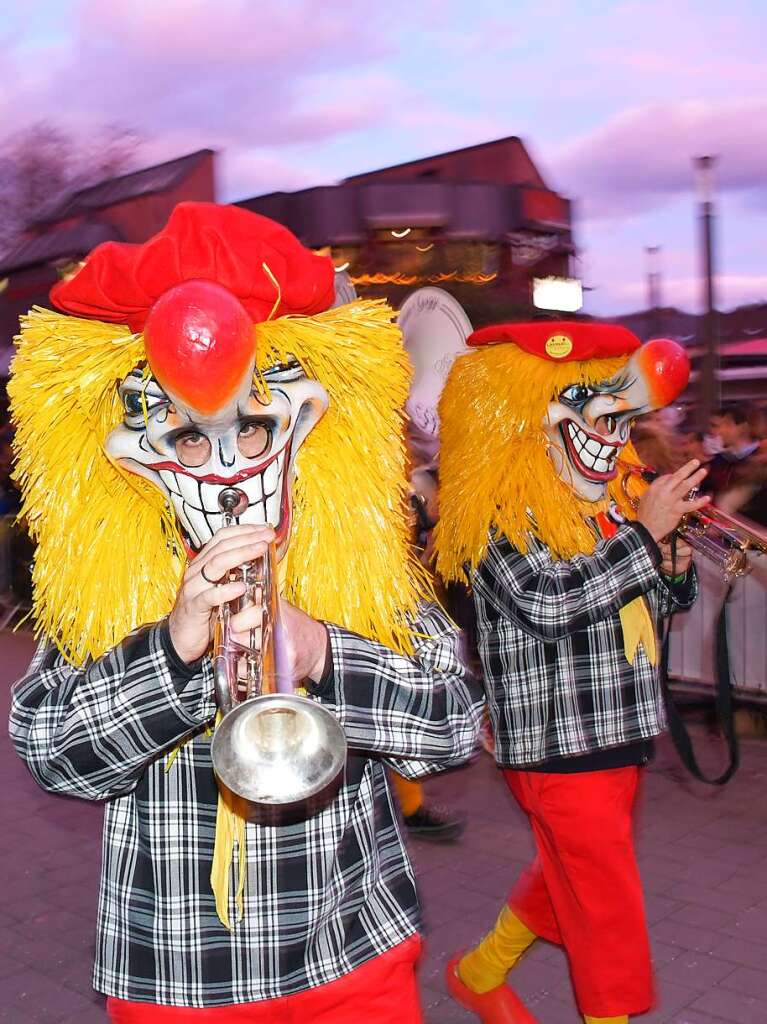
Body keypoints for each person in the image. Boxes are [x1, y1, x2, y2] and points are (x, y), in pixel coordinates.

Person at [8, 203, 484, 1022]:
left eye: (257, 429)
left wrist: (326, 652)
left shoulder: (363, 554)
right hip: (181, 976)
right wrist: (173, 651)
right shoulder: (98, 571)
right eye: (189, 441)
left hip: (354, 950)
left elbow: (452, 730)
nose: (227, 464)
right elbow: (54, 759)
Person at [434, 321, 706, 1024]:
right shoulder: (495, 512)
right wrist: (643, 539)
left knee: (574, 877)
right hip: (558, 743)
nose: (613, 437)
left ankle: (479, 972)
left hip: (619, 729)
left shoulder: (600, 507)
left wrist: (668, 570)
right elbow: (547, 603)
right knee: (604, 901)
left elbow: (629, 604)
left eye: (620, 418)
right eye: (600, 416)